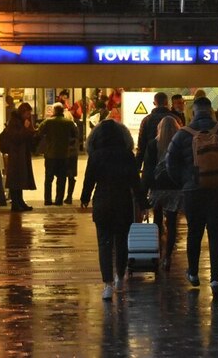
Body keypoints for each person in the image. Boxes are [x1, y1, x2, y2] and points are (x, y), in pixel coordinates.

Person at [166, 96, 218, 298]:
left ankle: (193, 273)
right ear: (211, 111)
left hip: (193, 192)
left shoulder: (182, 135)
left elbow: (170, 164)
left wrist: (185, 182)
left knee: (194, 231)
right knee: (216, 234)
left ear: (193, 113)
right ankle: (215, 279)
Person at [80, 119, 142, 300]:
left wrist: (84, 198)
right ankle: (120, 278)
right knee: (122, 242)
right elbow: (135, 182)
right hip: (123, 202)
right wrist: (142, 203)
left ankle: (107, 284)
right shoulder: (127, 155)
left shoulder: (96, 156)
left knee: (104, 244)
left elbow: (89, 180)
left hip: (102, 202)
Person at [142, 115, 183, 271]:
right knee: (171, 223)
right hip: (175, 188)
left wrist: (143, 193)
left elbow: (147, 171)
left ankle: (157, 252)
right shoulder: (179, 145)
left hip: (157, 187)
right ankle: (168, 256)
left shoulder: (153, 144)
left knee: (157, 221)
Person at [0, 104, 37, 212]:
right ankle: (16, 203)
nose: (28, 115)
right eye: (27, 113)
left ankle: (19, 201)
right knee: (16, 179)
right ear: (22, 112)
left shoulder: (23, 122)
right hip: (16, 155)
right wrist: (25, 128)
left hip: (22, 154)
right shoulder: (14, 123)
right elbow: (16, 138)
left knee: (20, 179)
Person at [38, 103, 77, 205]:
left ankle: (48, 200)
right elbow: (75, 135)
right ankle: (59, 200)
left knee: (48, 179)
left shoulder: (48, 122)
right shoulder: (69, 123)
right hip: (64, 155)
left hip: (50, 154)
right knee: (61, 179)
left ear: (55, 111)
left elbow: (38, 133)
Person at [136, 92, 176, 169]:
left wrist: (137, 166)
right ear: (167, 102)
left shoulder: (146, 120)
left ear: (154, 103)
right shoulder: (175, 119)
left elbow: (141, 145)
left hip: (151, 162)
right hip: (171, 163)